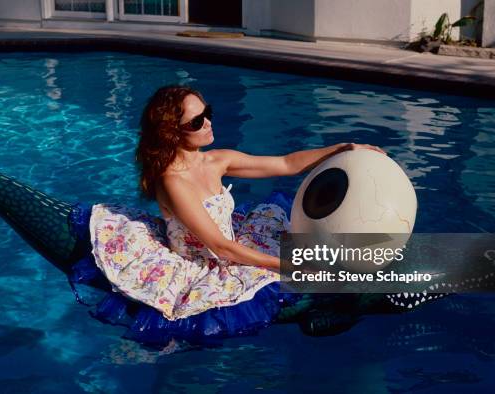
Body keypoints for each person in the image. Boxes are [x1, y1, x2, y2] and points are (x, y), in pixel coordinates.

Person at [79, 85, 385, 344]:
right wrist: (288, 265)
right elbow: (220, 248)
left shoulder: (216, 160)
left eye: (207, 113)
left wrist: (343, 148)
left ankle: (348, 301)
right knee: (300, 273)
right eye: (197, 121)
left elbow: (286, 164)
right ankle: (337, 310)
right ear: (172, 132)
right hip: (204, 263)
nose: (209, 123)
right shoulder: (172, 180)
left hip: (232, 245)